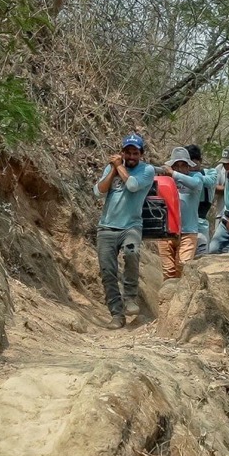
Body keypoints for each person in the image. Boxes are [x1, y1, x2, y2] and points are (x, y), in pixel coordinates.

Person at [93, 134, 156, 329]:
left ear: (141, 154)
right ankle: (116, 315)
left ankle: (130, 298)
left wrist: (119, 166)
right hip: (106, 227)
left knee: (131, 252)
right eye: (128, 152)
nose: (131, 156)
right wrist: (113, 169)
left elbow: (133, 185)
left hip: (131, 227)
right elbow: (98, 191)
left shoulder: (147, 170)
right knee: (108, 272)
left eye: (135, 153)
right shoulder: (112, 168)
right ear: (122, 152)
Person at [155, 147, 211, 279]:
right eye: (176, 165)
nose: (180, 169)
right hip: (166, 232)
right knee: (168, 271)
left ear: (188, 166)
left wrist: (173, 174)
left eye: (183, 165)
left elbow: (196, 184)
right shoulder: (165, 180)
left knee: (183, 266)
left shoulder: (196, 177)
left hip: (188, 232)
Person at [184, 144, 217, 255]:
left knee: (202, 256)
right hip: (184, 224)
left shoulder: (209, 173)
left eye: (194, 162)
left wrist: (191, 177)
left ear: (200, 161)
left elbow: (210, 181)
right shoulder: (181, 175)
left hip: (201, 222)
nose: (192, 166)